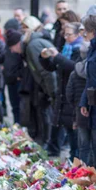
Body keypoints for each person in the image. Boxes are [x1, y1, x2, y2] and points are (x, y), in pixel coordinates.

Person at [40, 22, 83, 159]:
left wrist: (57, 56)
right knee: (69, 130)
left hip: (75, 94)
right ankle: (72, 161)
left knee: (75, 134)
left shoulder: (80, 49)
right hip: (63, 93)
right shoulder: (67, 48)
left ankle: (75, 162)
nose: (65, 37)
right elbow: (53, 67)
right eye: (65, 34)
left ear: (77, 35)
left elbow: (74, 67)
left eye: (69, 34)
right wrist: (44, 58)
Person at [78, 13, 96, 179]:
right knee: (89, 142)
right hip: (90, 99)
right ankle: (89, 175)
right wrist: (84, 102)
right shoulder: (93, 48)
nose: (84, 35)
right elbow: (89, 79)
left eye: (86, 31)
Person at [22, 15, 57, 145]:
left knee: (46, 114)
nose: (22, 31)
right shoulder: (34, 42)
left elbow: (44, 70)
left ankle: (47, 142)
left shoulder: (34, 44)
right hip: (45, 85)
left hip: (47, 86)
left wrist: (51, 90)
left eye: (25, 28)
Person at [3, 29, 25, 124]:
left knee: (20, 106)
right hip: (10, 80)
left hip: (17, 80)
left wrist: (18, 75)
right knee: (14, 106)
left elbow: (24, 64)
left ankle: (20, 124)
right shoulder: (8, 47)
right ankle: (16, 124)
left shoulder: (19, 47)